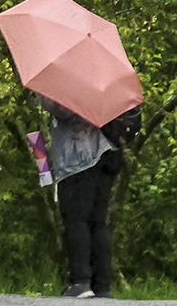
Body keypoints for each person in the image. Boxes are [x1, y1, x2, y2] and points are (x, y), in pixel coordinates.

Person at [41, 96, 120, 298]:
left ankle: (81, 282)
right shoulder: (102, 76)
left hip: (79, 158)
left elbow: (64, 109)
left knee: (77, 220)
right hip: (106, 153)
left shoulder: (73, 80)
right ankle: (102, 286)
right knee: (98, 223)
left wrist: (41, 94)